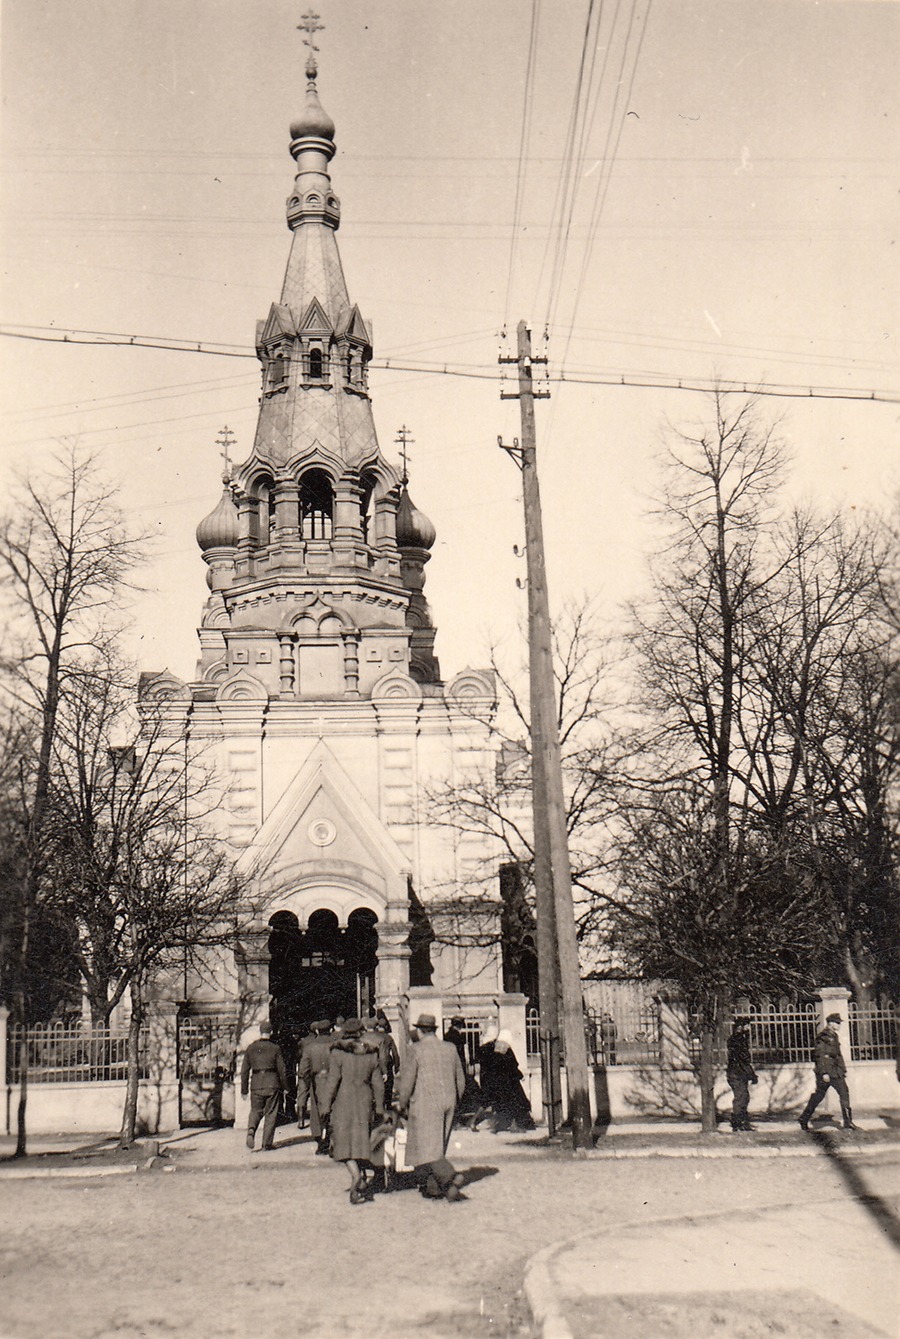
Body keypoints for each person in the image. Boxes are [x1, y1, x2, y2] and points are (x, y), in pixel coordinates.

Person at [396, 1013, 466, 1200]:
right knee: (438, 1145)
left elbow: (407, 1081)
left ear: (419, 1030)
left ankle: (451, 1175)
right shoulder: (450, 1048)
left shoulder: (415, 1050)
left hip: (425, 1103)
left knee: (427, 1148)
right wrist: (456, 1100)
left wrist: (402, 1103)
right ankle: (435, 1188)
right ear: (434, 1030)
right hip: (449, 1100)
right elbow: (461, 1078)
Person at [319, 1017, 384, 1204]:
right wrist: (379, 1107)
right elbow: (378, 1084)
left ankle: (356, 1177)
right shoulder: (371, 1052)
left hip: (343, 1100)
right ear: (361, 1031)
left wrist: (325, 1105)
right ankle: (362, 1178)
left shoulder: (338, 1053)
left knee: (343, 1143)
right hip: (364, 1099)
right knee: (360, 1139)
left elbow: (332, 1081)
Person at [799, 1012, 858, 1131]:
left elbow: (837, 1055)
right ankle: (804, 1118)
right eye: (837, 1023)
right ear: (830, 1023)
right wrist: (824, 1073)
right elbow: (819, 1056)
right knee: (819, 1096)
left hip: (836, 1072)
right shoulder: (822, 1037)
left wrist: (842, 1069)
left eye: (839, 1023)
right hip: (826, 1072)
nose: (839, 1025)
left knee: (844, 1093)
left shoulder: (834, 1036)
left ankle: (848, 1122)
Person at [240, 1021, 287, 1152]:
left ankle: (251, 1130)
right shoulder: (275, 1048)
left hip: (256, 1083)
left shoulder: (251, 1048)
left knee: (255, 1110)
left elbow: (244, 1070)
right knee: (271, 1114)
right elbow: (282, 1070)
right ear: (271, 1032)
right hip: (272, 1083)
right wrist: (285, 1086)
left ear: (260, 1032)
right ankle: (266, 1144)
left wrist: (244, 1089)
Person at [296, 1019, 334, 1154]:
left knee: (318, 1112)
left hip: (318, 1081)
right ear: (331, 1029)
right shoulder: (337, 1045)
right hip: (335, 1080)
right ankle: (332, 1140)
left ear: (317, 1031)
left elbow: (303, 1070)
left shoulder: (310, 1047)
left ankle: (321, 1142)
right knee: (334, 1110)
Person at [491, 1029, 535, 1132]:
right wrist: (520, 1076)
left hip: (499, 1082)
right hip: (510, 1082)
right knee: (516, 1103)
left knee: (503, 1105)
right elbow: (513, 1066)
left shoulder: (495, 1049)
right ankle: (514, 1126)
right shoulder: (507, 1049)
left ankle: (498, 1126)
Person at [726, 1016, 758, 1132]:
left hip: (737, 1073)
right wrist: (752, 1075)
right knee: (741, 1098)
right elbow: (743, 1059)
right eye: (747, 1025)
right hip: (737, 1073)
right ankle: (737, 1124)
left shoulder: (737, 1039)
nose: (749, 1028)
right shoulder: (738, 1040)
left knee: (743, 1097)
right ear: (741, 1027)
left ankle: (741, 1123)